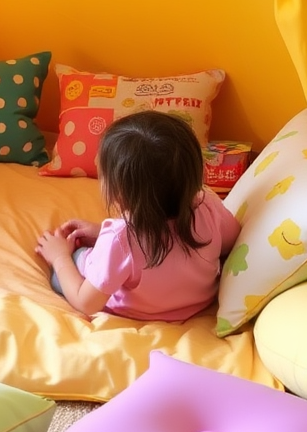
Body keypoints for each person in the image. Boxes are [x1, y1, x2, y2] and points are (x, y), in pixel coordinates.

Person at [35, 109, 239, 321]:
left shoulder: (119, 238)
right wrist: (99, 232)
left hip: (136, 311)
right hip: (196, 303)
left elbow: (86, 303)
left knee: (72, 263)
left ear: (120, 191)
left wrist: (59, 257)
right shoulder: (208, 204)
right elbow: (229, 241)